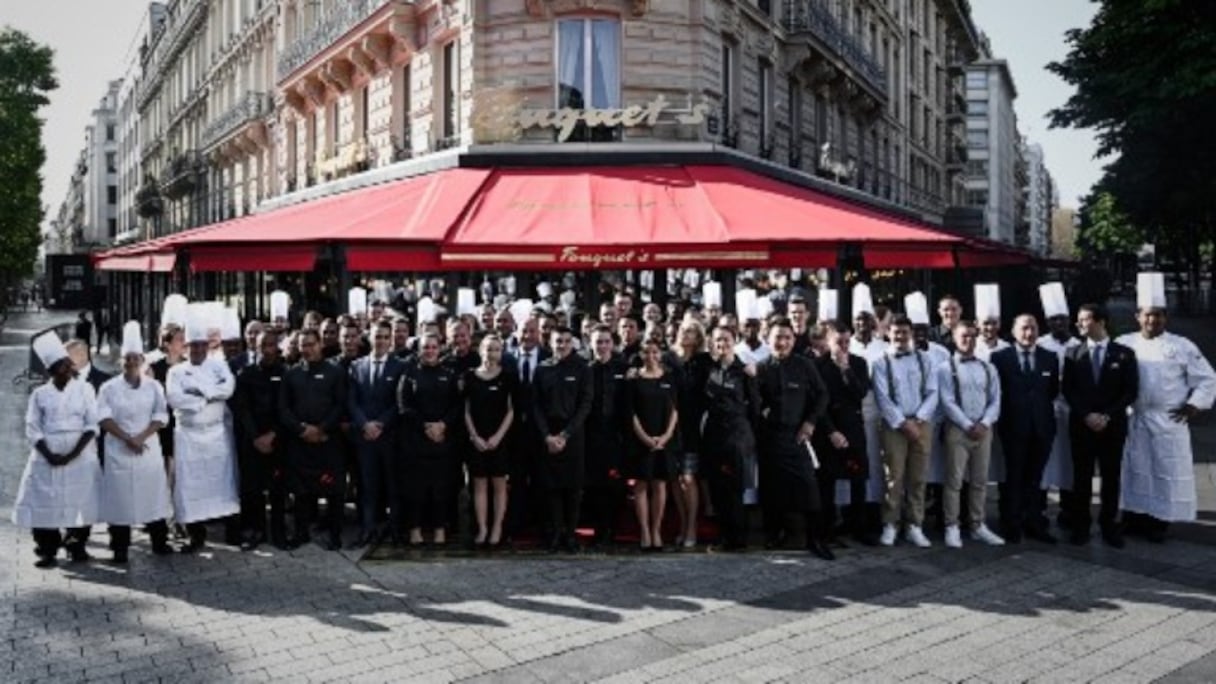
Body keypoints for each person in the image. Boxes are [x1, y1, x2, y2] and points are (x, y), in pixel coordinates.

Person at [1116, 274, 1216, 543]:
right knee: (1134, 470)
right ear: (1138, 316)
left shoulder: (1182, 346)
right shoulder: (1125, 344)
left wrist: (1193, 405)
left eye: (1158, 315)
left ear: (1166, 317)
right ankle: (1132, 518)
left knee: (1164, 472)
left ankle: (1158, 523)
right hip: (1135, 418)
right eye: (1148, 315)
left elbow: (1207, 378)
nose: (1153, 320)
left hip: (1168, 420)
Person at [14, 332, 102, 568]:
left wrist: (74, 453)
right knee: (45, 499)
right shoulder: (39, 394)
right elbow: (32, 427)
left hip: (80, 451)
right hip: (47, 453)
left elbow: (92, 424)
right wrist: (49, 454)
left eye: (65, 364)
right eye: (57, 367)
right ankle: (47, 549)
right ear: (49, 371)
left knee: (81, 498)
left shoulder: (85, 390)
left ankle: (76, 545)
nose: (63, 370)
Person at [755, 317, 833, 560]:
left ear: (794, 340)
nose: (783, 342)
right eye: (778, 337)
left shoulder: (804, 365)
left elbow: (822, 395)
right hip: (770, 438)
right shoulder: (761, 368)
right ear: (768, 339)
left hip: (798, 436)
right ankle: (774, 534)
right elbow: (755, 402)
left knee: (809, 487)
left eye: (787, 337)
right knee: (771, 489)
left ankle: (815, 539)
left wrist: (810, 423)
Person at [164, 306, 240, 553]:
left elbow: (227, 389)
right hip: (189, 437)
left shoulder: (218, 367)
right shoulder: (176, 371)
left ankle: (231, 532)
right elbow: (176, 399)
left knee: (222, 483)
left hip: (216, 435)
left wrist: (201, 392)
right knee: (191, 485)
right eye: (192, 345)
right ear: (186, 347)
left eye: (201, 345)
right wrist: (204, 399)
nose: (197, 350)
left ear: (207, 346)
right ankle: (195, 535)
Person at [96, 322, 173, 563]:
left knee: (153, 495)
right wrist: (127, 438)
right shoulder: (108, 388)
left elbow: (162, 416)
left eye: (135, 358)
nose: (131, 362)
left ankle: (159, 541)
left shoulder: (154, 386)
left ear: (142, 360)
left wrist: (140, 437)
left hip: (147, 447)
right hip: (118, 448)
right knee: (120, 500)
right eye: (127, 358)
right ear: (121, 361)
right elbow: (103, 417)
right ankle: (120, 546)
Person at [1062, 303, 1138, 548]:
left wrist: (1106, 415)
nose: (1079, 324)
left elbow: (1130, 391)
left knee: (1111, 477)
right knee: (1081, 478)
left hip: (1112, 426)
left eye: (1084, 319)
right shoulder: (1073, 354)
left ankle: (1109, 525)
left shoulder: (1124, 353)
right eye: (1079, 320)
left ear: (1101, 322)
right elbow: (1068, 390)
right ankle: (1080, 526)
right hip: (1082, 425)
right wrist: (1086, 415)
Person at [989, 314, 1060, 544]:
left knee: (1036, 479)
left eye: (1033, 328)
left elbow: (1052, 391)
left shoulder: (1050, 358)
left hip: (1042, 428)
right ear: (1013, 331)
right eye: (1024, 329)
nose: (1029, 334)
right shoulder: (1000, 358)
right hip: (1012, 428)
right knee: (1014, 478)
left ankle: (1035, 523)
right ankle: (1012, 524)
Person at [935, 321, 1005, 548]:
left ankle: (977, 524)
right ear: (955, 338)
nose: (969, 340)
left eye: (973, 336)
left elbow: (995, 399)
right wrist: (967, 424)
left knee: (980, 480)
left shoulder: (988, 367)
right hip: (958, 429)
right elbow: (947, 401)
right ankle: (951, 525)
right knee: (954, 481)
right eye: (964, 336)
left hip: (984, 430)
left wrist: (984, 423)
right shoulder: (946, 368)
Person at [872, 316, 939, 547]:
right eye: (896, 332)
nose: (900, 336)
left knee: (918, 477)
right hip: (894, 426)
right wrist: (903, 423)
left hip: (921, 424)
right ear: (888, 333)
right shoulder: (881, 363)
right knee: (894, 477)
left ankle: (915, 525)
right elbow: (883, 398)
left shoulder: (925, 360)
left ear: (911, 333)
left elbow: (933, 392)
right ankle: (890, 524)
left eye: (905, 332)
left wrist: (919, 419)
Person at [279, 328, 348, 551]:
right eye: (303, 345)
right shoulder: (291, 374)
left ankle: (334, 535)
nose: (307, 349)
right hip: (300, 442)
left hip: (328, 441)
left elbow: (340, 405)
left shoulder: (335, 372)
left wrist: (322, 428)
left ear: (320, 345)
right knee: (300, 491)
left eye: (311, 344)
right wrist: (301, 429)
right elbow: (283, 408)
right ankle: (301, 534)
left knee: (334, 491)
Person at [813, 323, 876, 546]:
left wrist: (846, 369)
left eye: (847, 342)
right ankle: (827, 530)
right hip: (828, 428)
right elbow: (817, 403)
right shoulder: (817, 365)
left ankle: (859, 527)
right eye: (838, 342)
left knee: (858, 478)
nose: (843, 346)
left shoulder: (858, 363)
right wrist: (831, 431)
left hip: (853, 427)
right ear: (828, 341)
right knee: (827, 481)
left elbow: (860, 392)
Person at [532, 326, 594, 553]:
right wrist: (547, 436)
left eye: (567, 341)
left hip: (573, 434)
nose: (563, 345)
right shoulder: (542, 369)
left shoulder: (583, 368)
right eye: (559, 341)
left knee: (573, 489)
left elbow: (585, 404)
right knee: (552, 488)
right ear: (550, 342)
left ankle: (571, 534)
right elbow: (536, 405)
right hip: (548, 434)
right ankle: (556, 533)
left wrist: (566, 435)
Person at [700, 325, 762, 551]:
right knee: (717, 489)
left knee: (734, 489)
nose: (721, 345)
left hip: (737, 436)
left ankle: (738, 539)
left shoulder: (744, 371)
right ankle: (724, 536)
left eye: (725, 340)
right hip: (714, 436)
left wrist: (748, 436)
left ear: (734, 341)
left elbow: (755, 406)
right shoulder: (710, 369)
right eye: (717, 341)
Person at [398, 333, 462, 546]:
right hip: (416, 440)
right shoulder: (410, 374)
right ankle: (415, 529)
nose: (430, 351)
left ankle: (439, 529)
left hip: (443, 441)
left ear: (440, 349)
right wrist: (425, 426)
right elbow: (403, 405)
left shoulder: (449, 374)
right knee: (415, 489)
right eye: (426, 347)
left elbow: (457, 405)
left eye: (434, 347)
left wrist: (443, 425)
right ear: (419, 350)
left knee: (440, 488)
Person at [347, 321, 404, 548]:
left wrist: (380, 424)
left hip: (390, 437)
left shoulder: (400, 366)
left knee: (392, 486)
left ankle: (395, 531)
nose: (380, 341)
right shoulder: (356, 366)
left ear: (390, 340)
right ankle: (367, 530)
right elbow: (352, 401)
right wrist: (365, 425)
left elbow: (398, 402)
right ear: (369, 338)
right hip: (365, 438)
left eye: (384, 337)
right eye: (376, 336)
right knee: (367, 487)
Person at [233, 330, 290, 550]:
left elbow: (285, 407)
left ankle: (278, 531)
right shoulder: (245, 374)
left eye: (270, 345)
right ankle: (255, 530)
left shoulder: (286, 372)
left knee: (278, 488)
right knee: (252, 488)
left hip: (278, 438)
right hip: (252, 439)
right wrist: (256, 437)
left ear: (277, 346)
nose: (267, 349)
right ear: (255, 347)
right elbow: (243, 409)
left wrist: (273, 434)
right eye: (262, 345)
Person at [627, 338, 680, 551]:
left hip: (664, 439)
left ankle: (656, 530)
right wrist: (645, 438)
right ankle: (645, 532)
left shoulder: (669, 377)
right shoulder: (633, 379)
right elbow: (630, 413)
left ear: (661, 354)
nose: (651, 356)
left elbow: (675, 410)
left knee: (660, 484)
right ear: (641, 354)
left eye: (655, 352)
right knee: (641, 485)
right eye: (647, 352)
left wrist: (666, 436)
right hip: (641, 439)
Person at [464, 334, 517, 548]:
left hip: (500, 439)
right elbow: (465, 410)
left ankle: (497, 527)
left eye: (496, 349)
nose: (491, 353)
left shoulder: (508, 377)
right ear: (480, 350)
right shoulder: (469, 376)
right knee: (479, 483)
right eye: (488, 348)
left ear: (501, 352)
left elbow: (512, 410)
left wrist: (498, 436)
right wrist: (474, 436)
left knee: (499, 484)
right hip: (476, 438)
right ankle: (482, 527)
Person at [1036, 283, 1081, 529]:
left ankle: (1068, 509)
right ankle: (1039, 508)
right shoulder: (1040, 344)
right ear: (1048, 322)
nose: (1059, 324)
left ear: (1069, 320)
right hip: (1045, 412)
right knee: (1043, 460)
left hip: (1071, 413)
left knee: (1069, 462)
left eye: (1063, 319)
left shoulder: (1079, 346)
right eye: (1054, 320)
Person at [583, 325, 629, 547]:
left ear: (613, 343)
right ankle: (599, 531)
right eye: (598, 342)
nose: (602, 346)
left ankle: (613, 529)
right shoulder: (586, 370)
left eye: (605, 341)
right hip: (591, 436)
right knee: (594, 485)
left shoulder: (623, 368)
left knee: (615, 485)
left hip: (616, 435)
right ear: (591, 344)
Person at [670, 320, 712, 548]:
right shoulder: (670, 359)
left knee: (688, 478)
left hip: (694, 427)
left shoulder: (704, 362)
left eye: (692, 332)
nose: (687, 335)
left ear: (698, 338)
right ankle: (683, 523)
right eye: (684, 330)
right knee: (676, 480)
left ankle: (692, 527)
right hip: (670, 426)